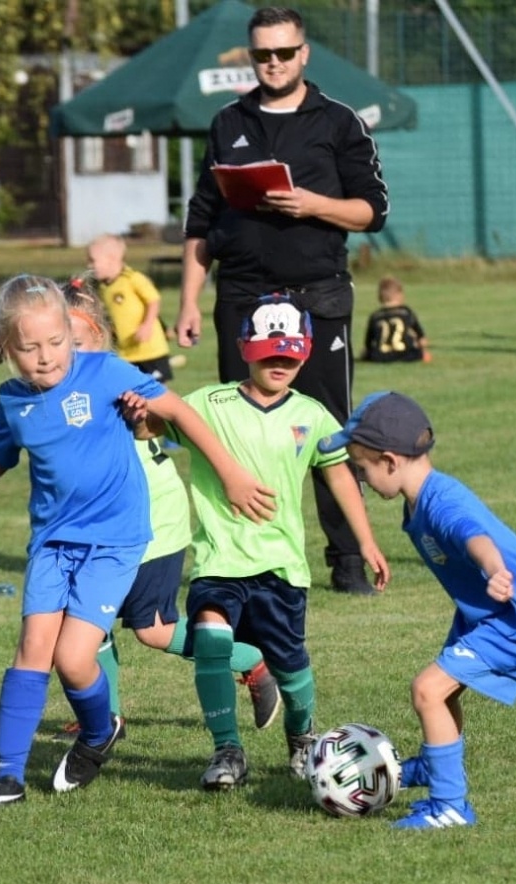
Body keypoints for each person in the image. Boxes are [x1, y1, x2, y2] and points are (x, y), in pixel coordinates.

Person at [0, 275, 273, 809]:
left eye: (56, 342)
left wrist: (231, 474)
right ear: (7, 347)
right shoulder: (12, 400)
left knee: (74, 660)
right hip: (53, 542)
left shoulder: (104, 372)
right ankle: (7, 776)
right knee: (33, 647)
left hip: (114, 541)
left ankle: (100, 732)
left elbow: (178, 412)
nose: (45, 357)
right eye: (30, 348)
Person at [176, 5, 390, 596]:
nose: (272, 63)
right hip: (242, 297)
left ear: (304, 54)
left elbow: (373, 209)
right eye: (262, 54)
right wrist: (189, 300)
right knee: (235, 429)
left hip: (316, 297)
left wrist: (313, 205)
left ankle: (347, 561)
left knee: (327, 432)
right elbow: (201, 218)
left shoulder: (339, 121)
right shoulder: (228, 122)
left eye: (283, 52)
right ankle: (244, 559)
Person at [157, 293, 388, 790]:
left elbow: (339, 476)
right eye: (268, 354)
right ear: (245, 349)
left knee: (291, 665)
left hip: (281, 565)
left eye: (290, 355)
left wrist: (365, 542)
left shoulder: (313, 414)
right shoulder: (208, 403)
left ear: (305, 355)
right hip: (219, 558)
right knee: (211, 642)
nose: (279, 363)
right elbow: (156, 420)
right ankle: (227, 749)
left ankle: (302, 738)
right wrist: (138, 412)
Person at [53, 279, 283, 742]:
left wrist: (140, 416)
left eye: (75, 343)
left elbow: (168, 416)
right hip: (98, 526)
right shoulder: (54, 386)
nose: (64, 355)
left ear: (100, 336)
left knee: (154, 631)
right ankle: (105, 718)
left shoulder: (115, 380)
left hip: (151, 523)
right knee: (84, 620)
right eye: (55, 343)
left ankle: (251, 661)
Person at [319, 392, 516, 830]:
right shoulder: (418, 498)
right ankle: (435, 767)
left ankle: (450, 806)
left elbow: (474, 536)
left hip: (515, 612)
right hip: (484, 609)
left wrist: (494, 570)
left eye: (362, 468)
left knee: (427, 690)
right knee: (442, 694)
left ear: (390, 461)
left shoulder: (441, 502)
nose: (361, 478)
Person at [86, 233, 172, 381]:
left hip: (150, 350)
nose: (89, 266)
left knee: (158, 391)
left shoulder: (132, 279)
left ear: (112, 259)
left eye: (92, 260)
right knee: (128, 392)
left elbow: (153, 300)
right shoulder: (104, 287)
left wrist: (147, 325)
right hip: (126, 353)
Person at [362, 276, 432, 363]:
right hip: (405, 354)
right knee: (420, 352)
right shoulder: (406, 312)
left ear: (379, 297)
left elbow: (368, 344)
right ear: (399, 295)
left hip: (380, 356)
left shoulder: (375, 316)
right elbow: (422, 340)